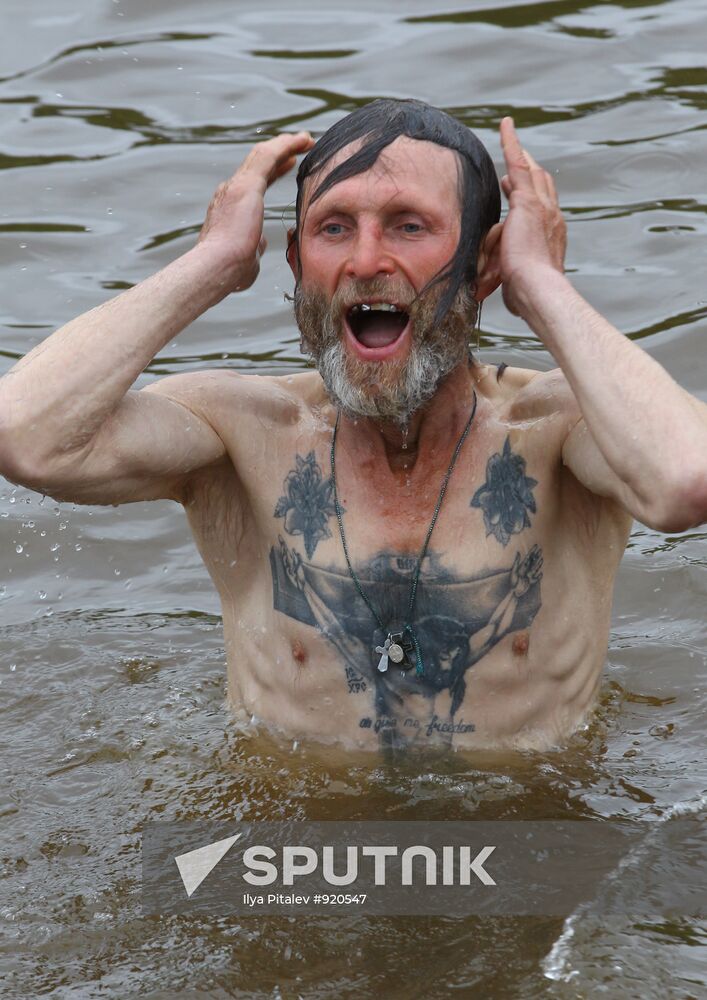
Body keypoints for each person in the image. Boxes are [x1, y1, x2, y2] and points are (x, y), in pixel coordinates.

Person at [1, 99, 705, 752]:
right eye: (333, 228)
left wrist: (541, 284)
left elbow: (684, 480)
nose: (366, 262)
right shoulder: (241, 434)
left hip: (530, 850)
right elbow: (26, 437)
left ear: (482, 262)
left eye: (408, 225)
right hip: (292, 858)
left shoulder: (560, 428)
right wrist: (212, 262)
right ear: (296, 262)